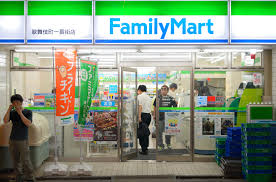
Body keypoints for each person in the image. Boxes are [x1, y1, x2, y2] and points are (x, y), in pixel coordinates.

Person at [3, 94, 36, 182]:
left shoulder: (28, 112)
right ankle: (19, 178)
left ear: (21, 103)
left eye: (17, 102)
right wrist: (9, 109)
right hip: (12, 139)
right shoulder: (12, 113)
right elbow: (5, 121)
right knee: (15, 161)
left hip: (23, 140)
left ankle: (30, 177)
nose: (16, 104)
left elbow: (28, 123)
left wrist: (20, 113)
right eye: (14, 103)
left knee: (26, 160)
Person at [153, 85, 177, 150]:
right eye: (162, 89)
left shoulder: (170, 98)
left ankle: (168, 144)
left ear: (167, 90)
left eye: (165, 89)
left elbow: (175, 106)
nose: (163, 90)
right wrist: (154, 115)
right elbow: (155, 107)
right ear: (161, 90)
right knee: (159, 132)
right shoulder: (157, 98)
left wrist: (173, 114)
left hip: (168, 118)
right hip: (159, 117)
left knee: (168, 132)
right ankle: (160, 145)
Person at [137, 85, 152, 155]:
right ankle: (145, 148)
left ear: (139, 90)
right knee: (145, 132)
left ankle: (144, 149)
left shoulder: (139, 96)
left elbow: (140, 107)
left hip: (142, 115)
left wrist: (139, 117)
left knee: (142, 133)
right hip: (148, 115)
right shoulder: (148, 97)